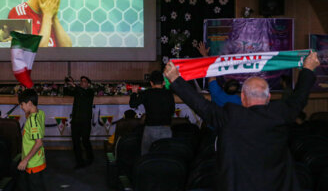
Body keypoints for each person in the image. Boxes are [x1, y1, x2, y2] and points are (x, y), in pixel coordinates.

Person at [164, 51, 320, 191]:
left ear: (243, 98)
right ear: (268, 97)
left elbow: (201, 105)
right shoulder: (280, 113)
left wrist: (175, 79)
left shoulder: (230, 116)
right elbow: (299, 98)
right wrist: (308, 69)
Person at [8, 0, 72, 47]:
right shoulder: (18, 13)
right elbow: (38, 49)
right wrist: (48, 16)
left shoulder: (48, 13)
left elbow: (67, 47)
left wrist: (54, 17)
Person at [129, 70, 175, 155]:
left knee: (146, 156)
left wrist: (134, 93)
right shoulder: (169, 94)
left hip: (150, 129)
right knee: (165, 156)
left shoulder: (147, 93)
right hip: (166, 129)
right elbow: (172, 111)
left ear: (151, 83)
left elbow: (133, 104)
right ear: (163, 82)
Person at [17, 89, 46, 191]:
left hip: (32, 162)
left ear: (29, 103)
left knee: (35, 187)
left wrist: (25, 160)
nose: (21, 107)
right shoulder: (40, 113)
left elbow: (39, 143)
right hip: (36, 159)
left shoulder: (33, 120)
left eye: (22, 104)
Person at [197, 41, 241, 106]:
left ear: (224, 85)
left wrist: (205, 55)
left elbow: (211, 72)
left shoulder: (216, 93)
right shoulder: (238, 101)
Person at [67, 76, 95, 169]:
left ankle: (90, 158)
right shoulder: (77, 91)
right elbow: (67, 92)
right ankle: (79, 162)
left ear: (88, 84)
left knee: (85, 141)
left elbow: (83, 92)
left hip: (85, 121)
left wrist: (74, 85)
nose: (82, 82)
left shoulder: (90, 92)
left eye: (84, 81)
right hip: (75, 121)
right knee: (75, 142)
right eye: (81, 81)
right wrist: (67, 84)